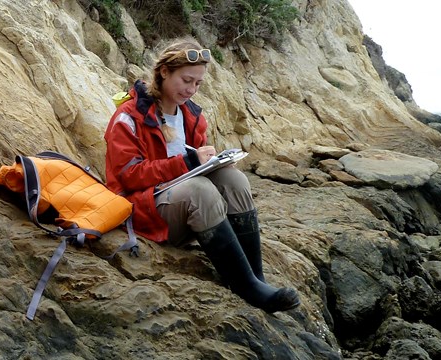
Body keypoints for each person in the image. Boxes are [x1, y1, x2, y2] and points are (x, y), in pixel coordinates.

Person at [104, 37, 300, 313]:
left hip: (180, 208)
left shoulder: (192, 116)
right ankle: (245, 286)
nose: (191, 89)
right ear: (164, 72)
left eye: (198, 83)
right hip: (142, 212)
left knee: (235, 180)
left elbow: (193, 166)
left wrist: (215, 164)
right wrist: (187, 162)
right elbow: (128, 176)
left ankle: (256, 278)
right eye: (186, 80)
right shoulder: (129, 117)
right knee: (200, 190)